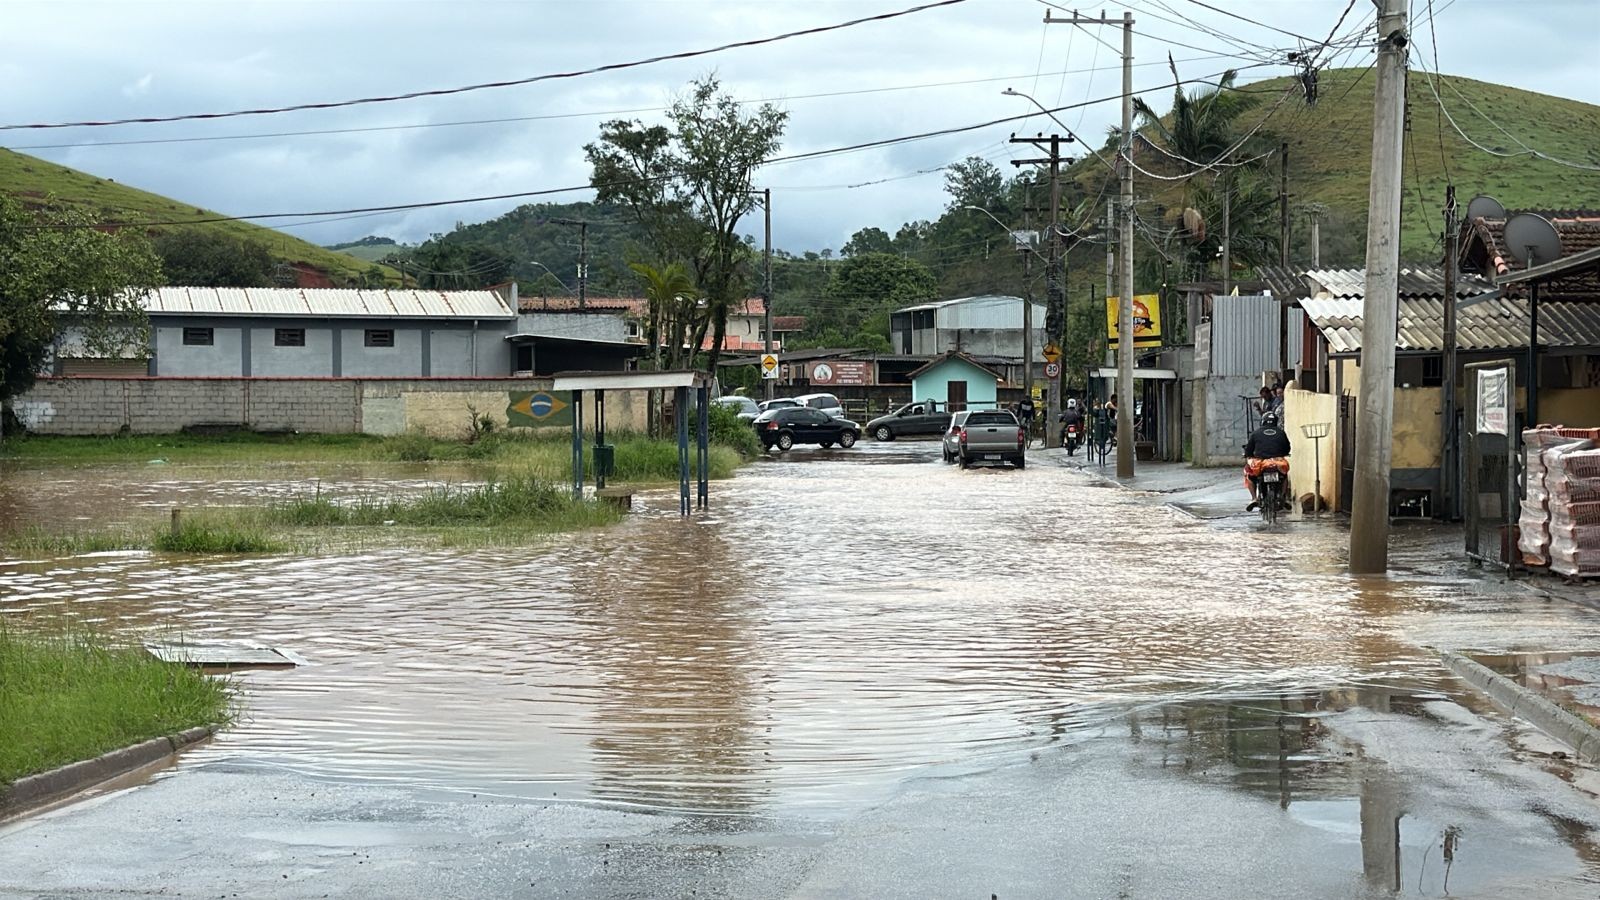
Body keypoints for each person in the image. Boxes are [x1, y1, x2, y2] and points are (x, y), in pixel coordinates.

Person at [1243, 412, 1292, 511]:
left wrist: (1248, 455)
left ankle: (1254, 498)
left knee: (1249, 474)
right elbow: (1287, 448)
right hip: (1277, 463)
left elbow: (1249, 450)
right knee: (1284, 476)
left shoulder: (1255, 433)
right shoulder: (1281, 432)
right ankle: (1283, 497)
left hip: (1260, 463)